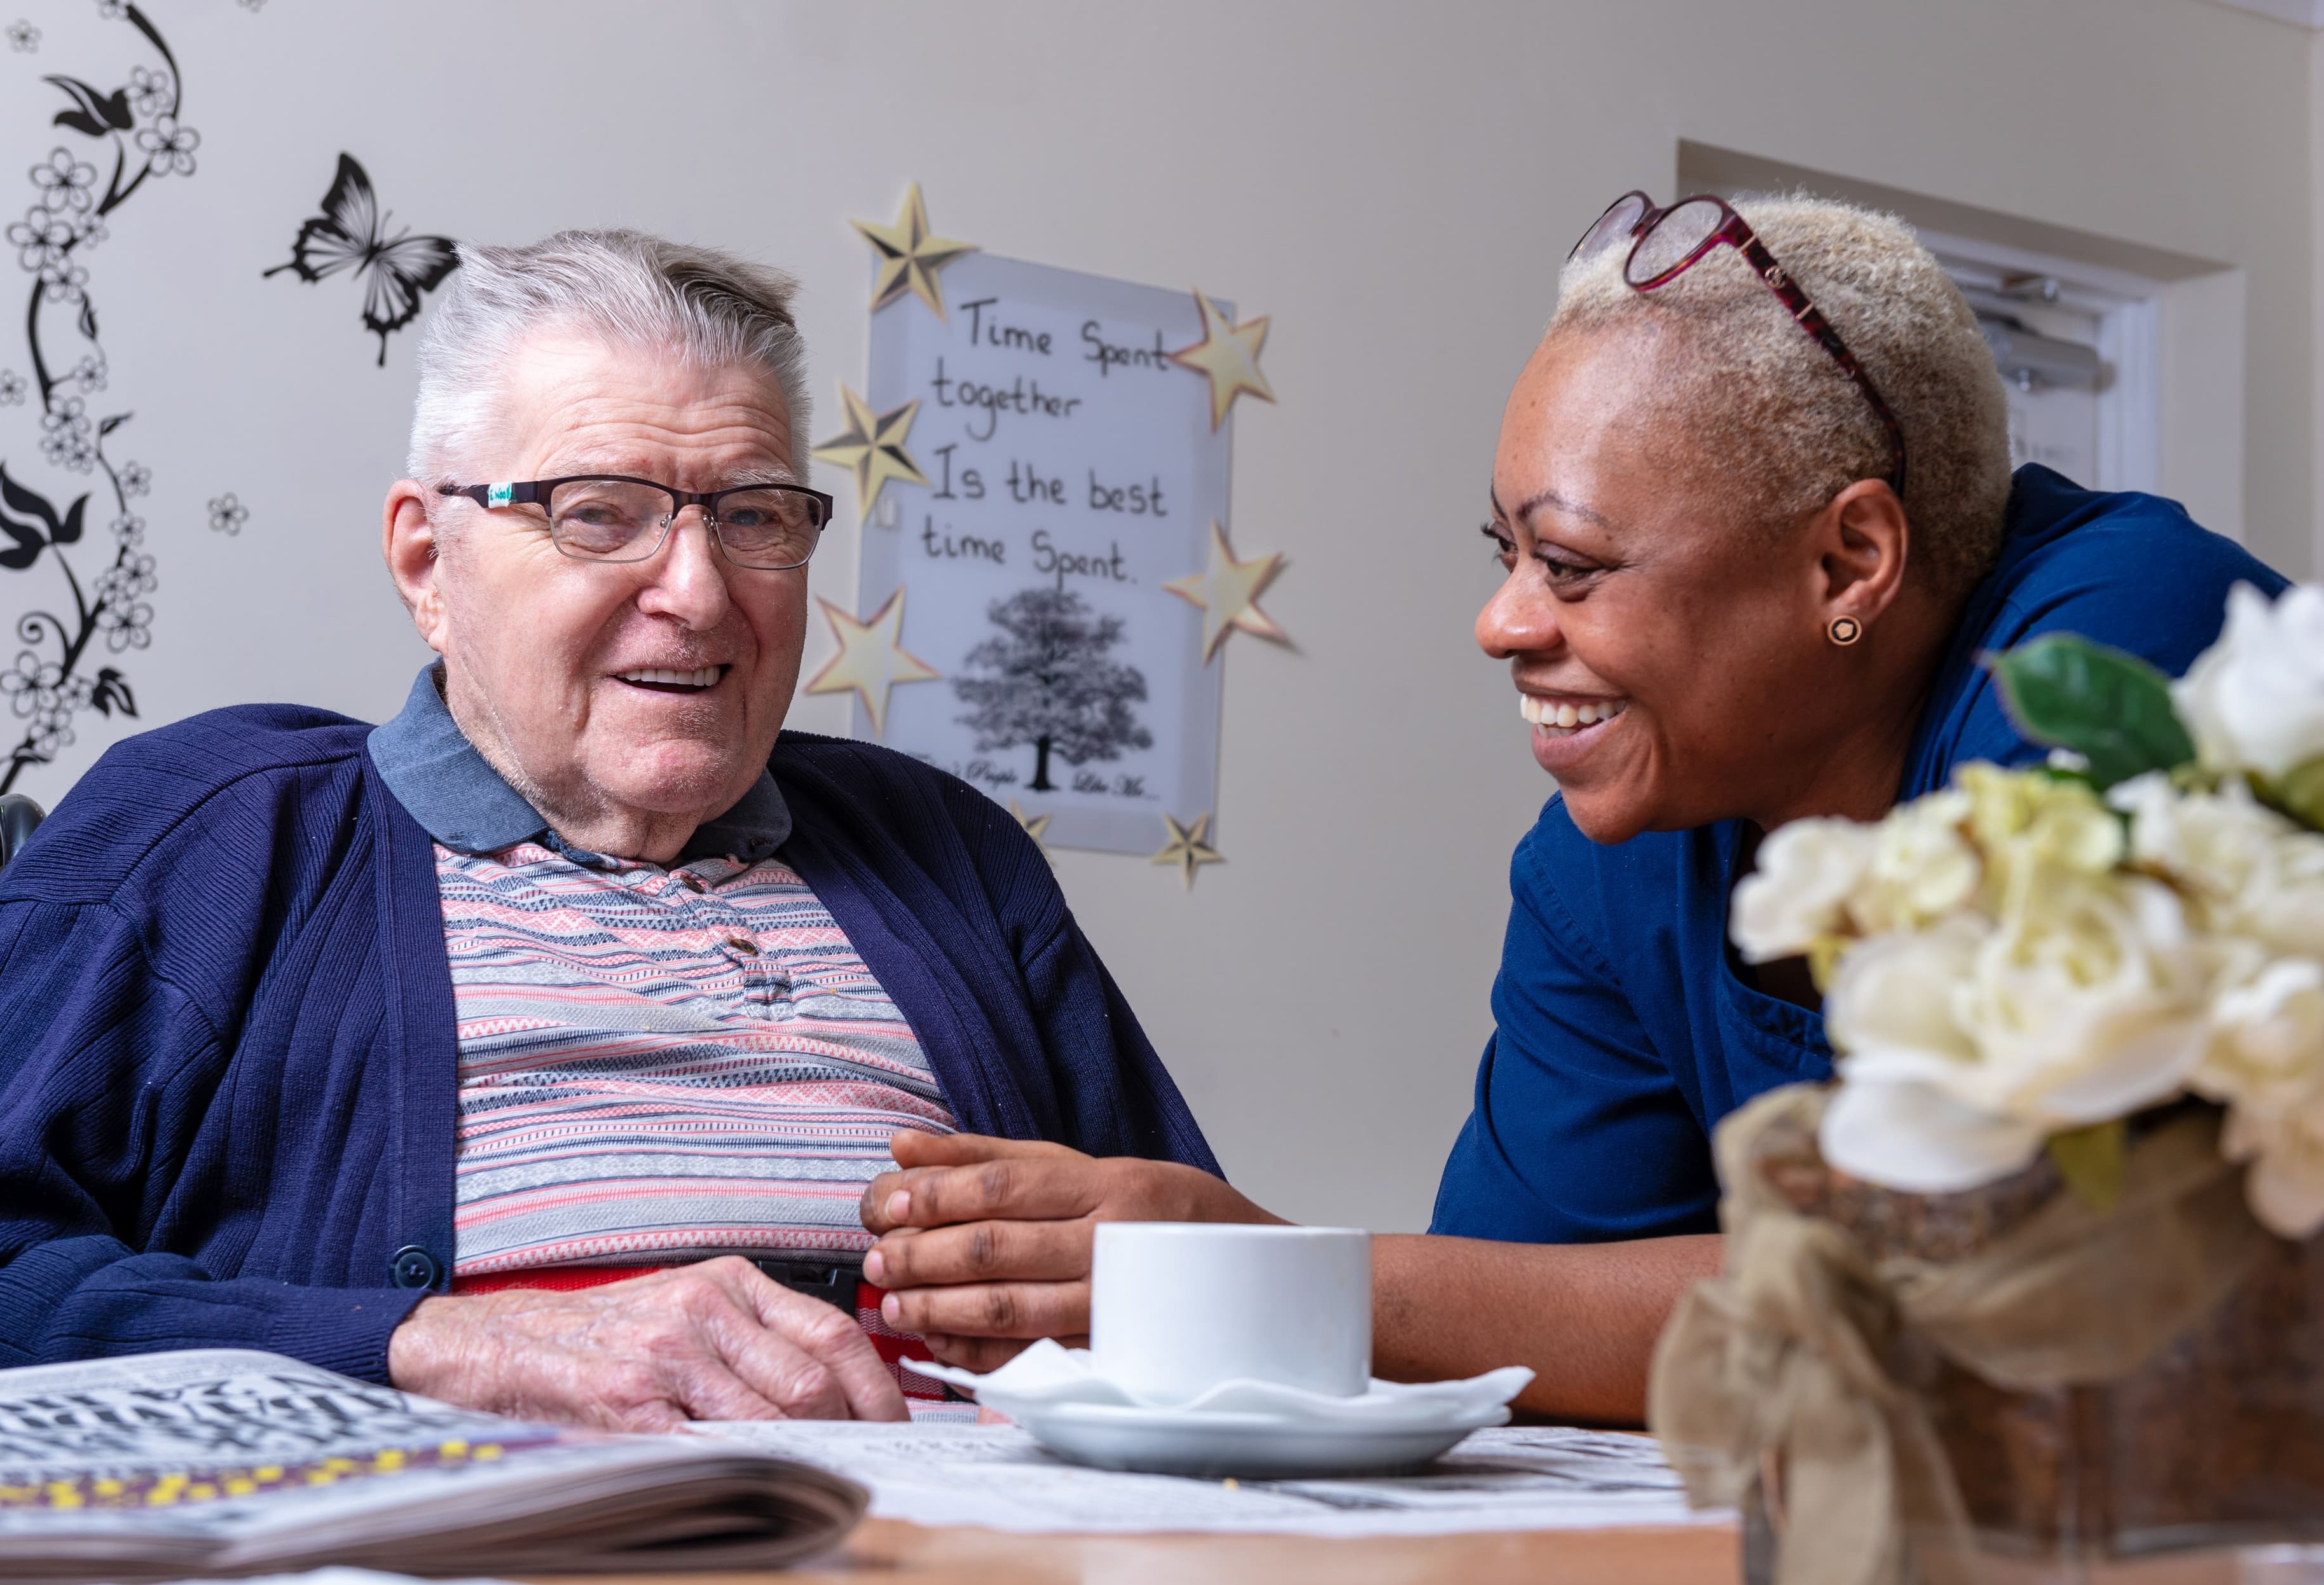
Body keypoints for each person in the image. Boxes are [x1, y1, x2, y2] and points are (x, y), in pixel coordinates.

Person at [854, 194, 2293, 1423]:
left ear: (1852, 561)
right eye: (1506, 553)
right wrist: (1273, 1283)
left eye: (1575, 563)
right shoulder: (1610, 855)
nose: (1498, 623)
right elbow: (1514, 1321)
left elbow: (2008, 1282)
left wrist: (1267, 1273)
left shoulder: (2123, 656)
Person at [0, 230, 1218, 1430]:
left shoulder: (945, 850)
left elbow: (1205, 1291)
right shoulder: (213, 831)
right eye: (599, 514)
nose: (696, 594)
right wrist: (442, 1343)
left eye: (752, 516)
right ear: (426, 561)